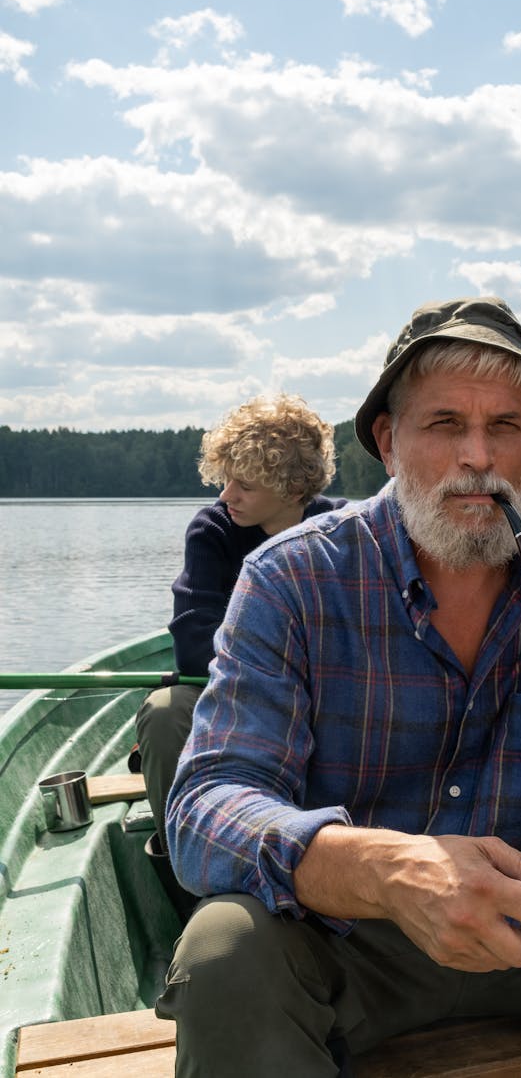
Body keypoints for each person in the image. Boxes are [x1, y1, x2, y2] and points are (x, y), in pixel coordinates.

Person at [158, 298, 521, 1077]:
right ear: (388, 440)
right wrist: (389, 869)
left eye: (505, 425)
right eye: (444, 425)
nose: (479, 456)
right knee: (222, 949)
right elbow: (206, 809)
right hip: (353, 945)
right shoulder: (291, 578)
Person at [134, 392, 347, 914]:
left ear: (292, 487)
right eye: (225, 478)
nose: (227, 494)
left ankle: (338, 867)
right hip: (233, 700)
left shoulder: (346, 531)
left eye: (244, 484)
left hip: (330, 701)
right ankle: (190, 882)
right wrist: (281, 667)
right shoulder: (213, 531)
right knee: (163, 718)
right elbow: (191, 647)